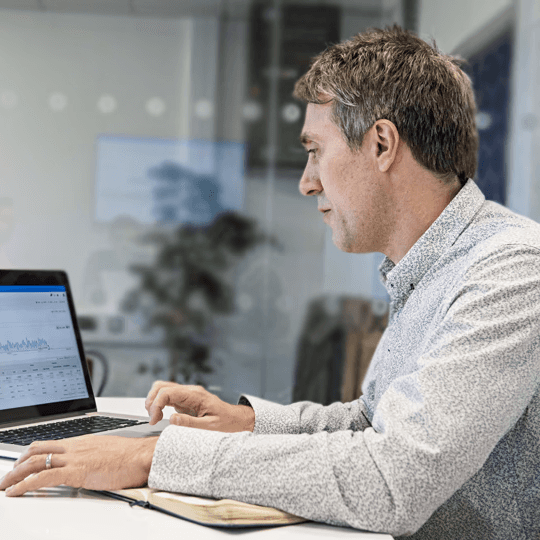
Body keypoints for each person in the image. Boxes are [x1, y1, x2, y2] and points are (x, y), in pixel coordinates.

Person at [1, 25, 539, 540]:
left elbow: (394, 477)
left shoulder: (511, 269)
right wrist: (245, 422)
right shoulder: (433, 267)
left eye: (314, 151)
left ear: (381, 144)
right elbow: (373, 422)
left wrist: (151, 457)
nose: (307, 183)